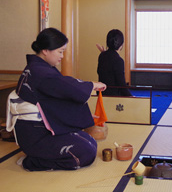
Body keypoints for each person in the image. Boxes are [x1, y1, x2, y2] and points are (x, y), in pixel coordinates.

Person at [6, 28, 107, 171]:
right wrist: (91, 85)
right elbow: (68, 87)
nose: (62, 56)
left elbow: (54, 102)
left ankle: (39, 157)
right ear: (46, 50)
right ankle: (32, 162)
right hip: (35, 136)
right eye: (60, 51)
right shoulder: (40, 72)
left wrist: (82, 115)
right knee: (86, 153)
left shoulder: (39, 69)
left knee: (90, 142)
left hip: (40, 129)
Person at [97, 29, 132, 96]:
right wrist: (132, 98)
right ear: (121, 45)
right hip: (113, 97)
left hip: (101, 94)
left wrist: (104, 53)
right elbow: (121, 85)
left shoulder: (102, 56)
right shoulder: (119, 61)